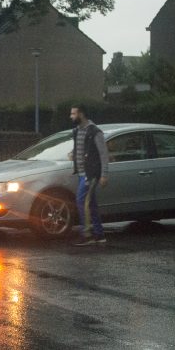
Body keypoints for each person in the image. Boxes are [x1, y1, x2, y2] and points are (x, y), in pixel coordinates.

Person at [69, 104, 109, 246]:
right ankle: (99, 235)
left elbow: (104, 155)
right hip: (81, 173)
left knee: (81, 201)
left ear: (81, 114)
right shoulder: (76, 131)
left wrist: (104, 175)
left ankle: (87, 235)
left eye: (73, 114)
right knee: (91, 204)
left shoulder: (95, 132)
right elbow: (79, 149)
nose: (71, 116)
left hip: (91, 174)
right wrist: (73, 155)